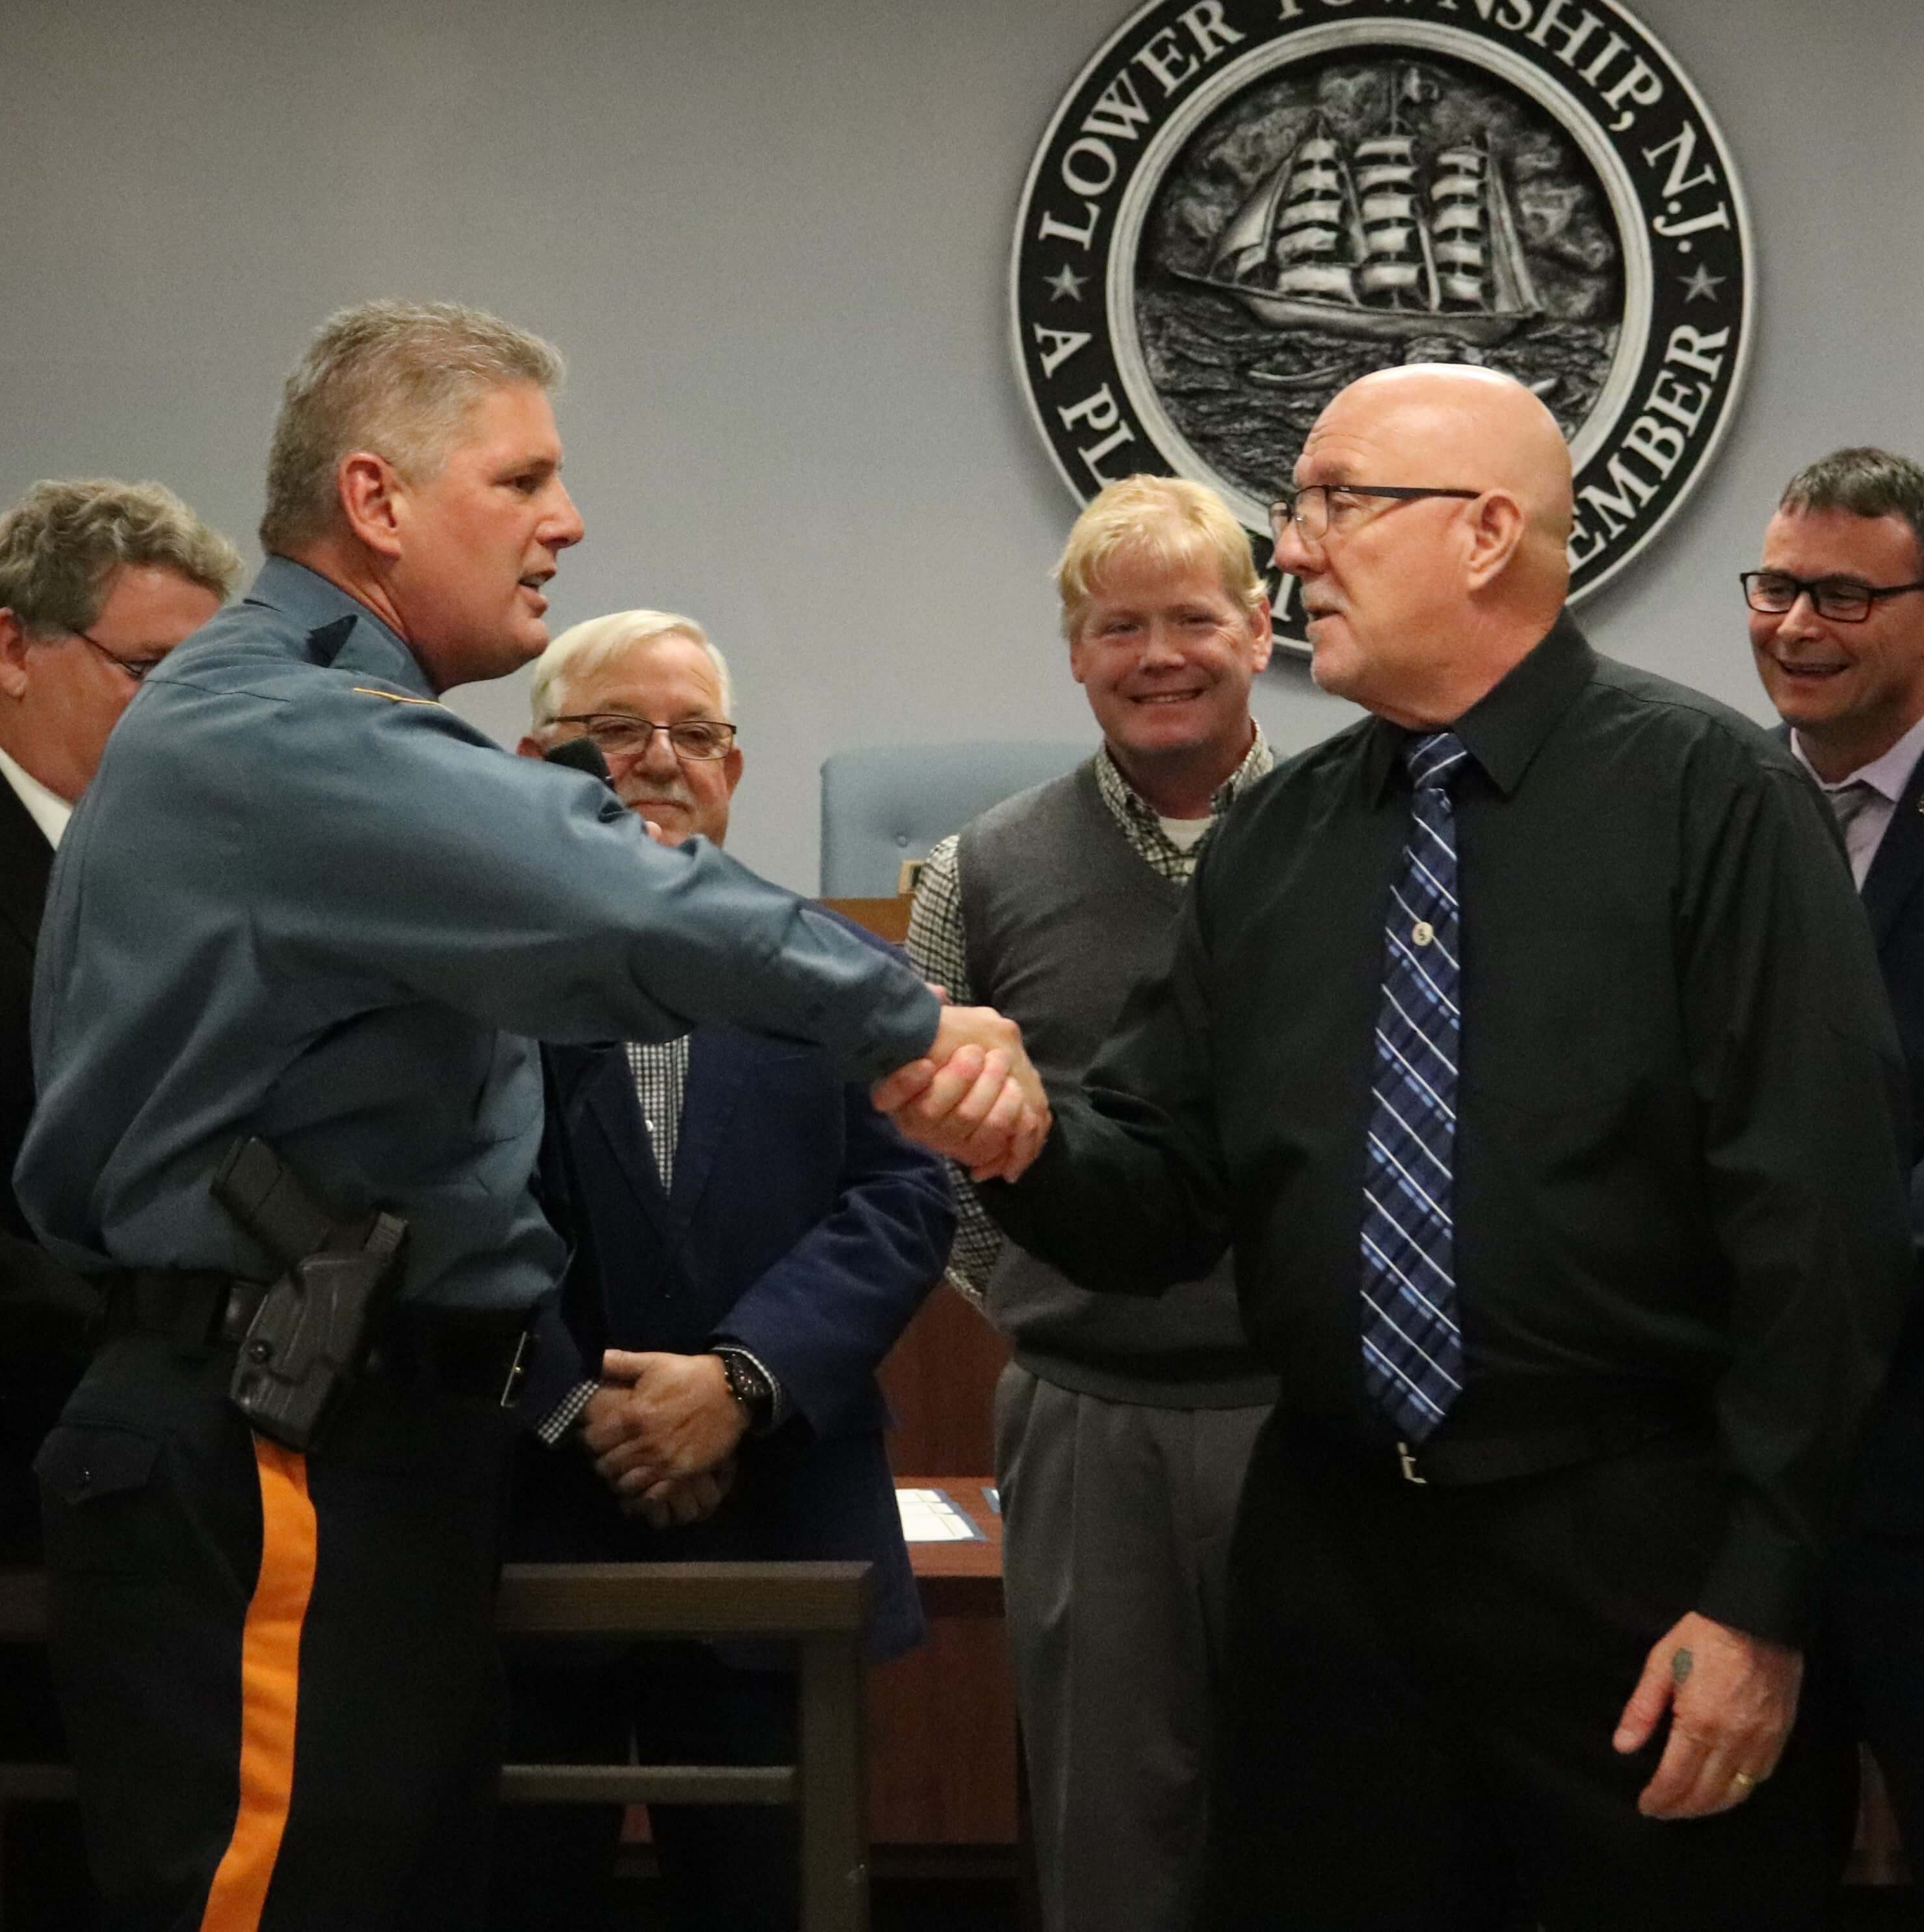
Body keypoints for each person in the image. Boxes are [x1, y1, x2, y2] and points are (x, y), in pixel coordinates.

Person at [14, 300, 1042, 1932]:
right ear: (377, 501)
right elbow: (616, 903)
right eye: (523, 479)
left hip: (363, 1432)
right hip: (277, 1425)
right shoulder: (286, 729)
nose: (565, 520)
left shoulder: (301, 722)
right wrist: (907, 1017)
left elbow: (585, 965)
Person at [878, 365, 1915, 1931]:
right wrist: (1019, 1137)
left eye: (1334, 504)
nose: (1291, 550)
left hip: (1635, 1557)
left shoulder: (1716, 802)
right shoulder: (1279, 848)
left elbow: (1820, 1230)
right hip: (1336, 1562)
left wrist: (1759, 1600)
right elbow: (1163, 1198)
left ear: (1490, 531)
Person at [489, 607, 954, 1929]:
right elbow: (446, 1225)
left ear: (735, 774)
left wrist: (738, 1386)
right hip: (531, 1533)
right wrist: (596, 1413)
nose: (660, 758)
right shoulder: (471, 985)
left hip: (781, 1537)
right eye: (617, 729)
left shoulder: (843, 974)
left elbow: (909, 1195)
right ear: (537, 763)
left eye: (697, 734)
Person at [905, 475, 1278, 1932]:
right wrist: (1053, 1304)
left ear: (1261, 630)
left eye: (1194, 618)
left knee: (1321, 1822)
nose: (1158, 655)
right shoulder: (977, 869)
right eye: (1118, 625)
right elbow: (928, 1150)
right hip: (1085, 1419)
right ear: (1074, 650)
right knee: (1105, 1839)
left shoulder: (1353, 834)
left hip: (1312, 1420)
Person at [1743, 446, 1924, 1930]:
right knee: (1727, 1874)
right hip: (1726, 1476)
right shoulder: (1711, 814)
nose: (1795, 628)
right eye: (1775, 588)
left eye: (1843, 594)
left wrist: (1815, 1270)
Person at [0, 476, 236, 1929]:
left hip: (171, 1491)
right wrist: (155, 1326)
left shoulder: (186, 866)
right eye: (147, 672)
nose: (177, 714)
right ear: (13, 649)